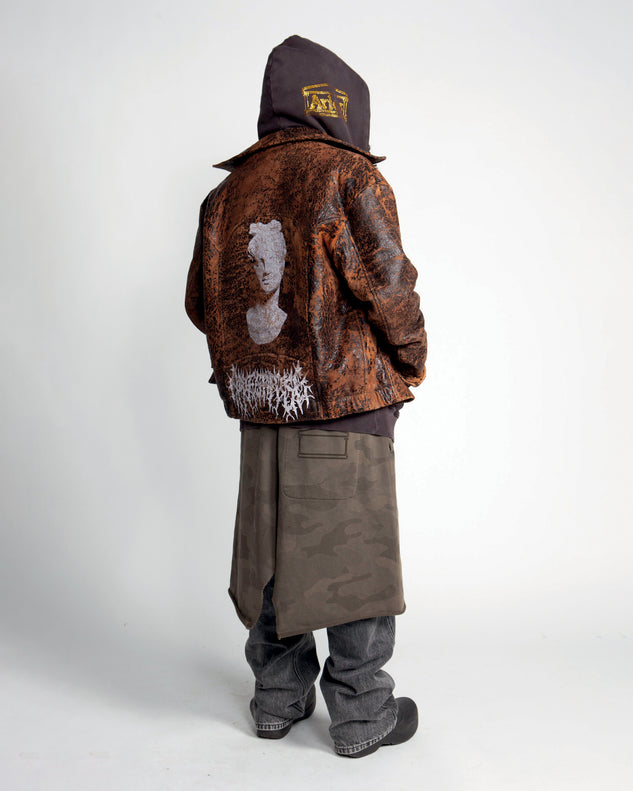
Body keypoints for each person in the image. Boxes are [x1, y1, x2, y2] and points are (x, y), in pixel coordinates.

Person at [185, 34, 428, 758]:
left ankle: (276, 699)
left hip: (262, 404)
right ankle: (361, 713)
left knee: (269, 553)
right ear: (344, 107)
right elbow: (388, 285)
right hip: (347, 404)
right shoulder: (348, 174)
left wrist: (252, 366)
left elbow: (201, 303)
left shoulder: (224, 195)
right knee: (354, 557)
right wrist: (411, 357)